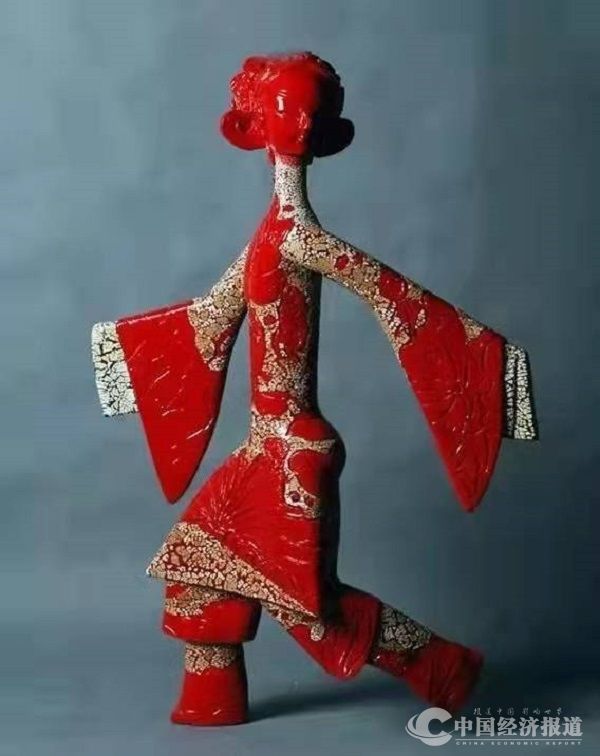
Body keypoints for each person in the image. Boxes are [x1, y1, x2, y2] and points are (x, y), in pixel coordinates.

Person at [91, 52, 537, 726]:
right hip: (271, 445)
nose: (298, 123)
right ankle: (213, 701)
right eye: (285, 110)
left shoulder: (301, 237)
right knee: (200, 570)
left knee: (308, 604)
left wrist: (481, 364)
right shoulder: (274, 235)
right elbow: (213, 315)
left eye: (310, 113)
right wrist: (128, 359)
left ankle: (441, 664)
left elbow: (391, 295)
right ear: (249, 128)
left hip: (291, 448)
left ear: (327, 133)